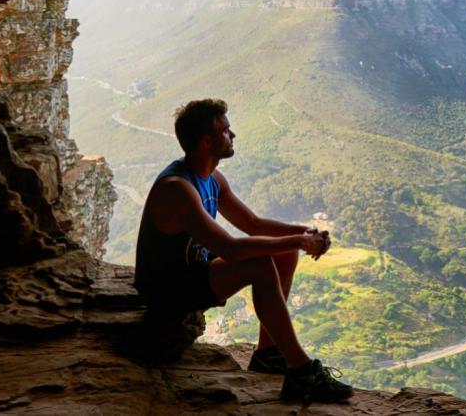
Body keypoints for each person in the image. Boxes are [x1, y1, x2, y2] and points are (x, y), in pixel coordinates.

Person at [133, 98, 353, 403]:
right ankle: (303, 372)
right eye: (225, 130)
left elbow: (252, 223)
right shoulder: (178, 189)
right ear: (207, 141)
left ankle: (268, 354)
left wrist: (303, 233)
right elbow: (231, 248)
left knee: (283, 254)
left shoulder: (211, 178)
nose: (232, 135)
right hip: (168, 289)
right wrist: (300, 242)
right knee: (260, 265)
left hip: (193, 273)